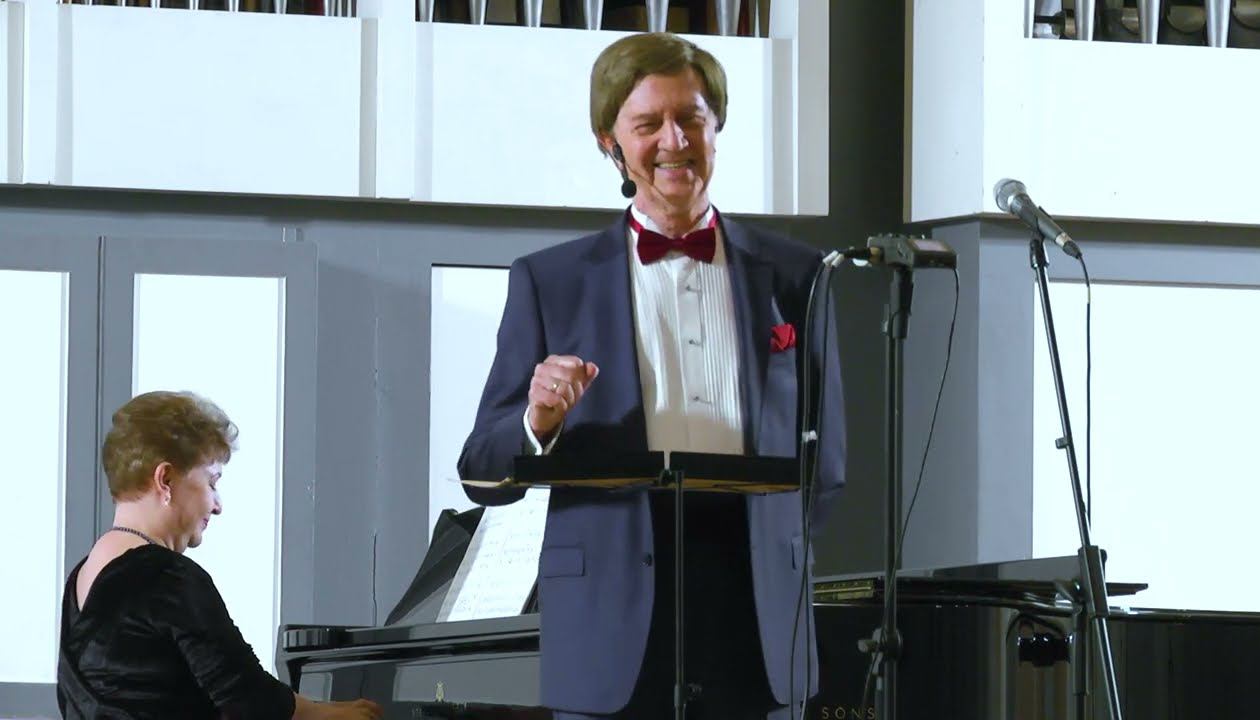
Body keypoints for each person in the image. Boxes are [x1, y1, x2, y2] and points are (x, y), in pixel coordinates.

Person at [458, 31, 847, 720]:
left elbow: (828, 465)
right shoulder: (549, 282)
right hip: (609, 616)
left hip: (758, 614)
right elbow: (480, 469)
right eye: (648, 124)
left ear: (716, 127)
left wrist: (772, 545)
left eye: (691, 118)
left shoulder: (799, 274)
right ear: (609, 142)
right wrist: (537, 424)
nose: (675, 140)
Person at [57, 390, 382, 720]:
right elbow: (250, 701)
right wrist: (333, 715)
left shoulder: (82, 576)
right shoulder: (166, 577)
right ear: (165, 479)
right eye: (212, 482)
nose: (218, 505)